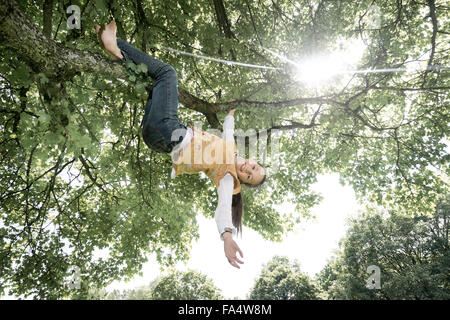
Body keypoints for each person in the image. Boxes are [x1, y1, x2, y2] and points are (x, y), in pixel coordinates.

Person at [95, 21, 266, 269]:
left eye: (249, 177)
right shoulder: (231, 151)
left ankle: (115, 45)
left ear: (243, 182)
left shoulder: (227, 178)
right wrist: (230, 114)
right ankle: (118, 53)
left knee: (167, 74)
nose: (248, 170)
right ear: (253, 159)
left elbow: (223, 209)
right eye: (255, 167)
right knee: (156, 87)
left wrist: (226, 236)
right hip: (156, 138)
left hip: (168, 133)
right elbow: (229, 132)